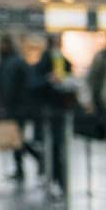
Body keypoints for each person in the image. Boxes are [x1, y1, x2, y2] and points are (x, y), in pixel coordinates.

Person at [0, 34, 44, 181]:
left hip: (16, 107)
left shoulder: (11, 63)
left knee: (17, 139)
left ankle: (36, 159)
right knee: (16, 139)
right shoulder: (11, 62)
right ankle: (23, 166)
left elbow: (9, 86)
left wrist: (5, 104)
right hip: (17, 106)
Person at [30, 35, 75, 193]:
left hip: (58, 112)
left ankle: (57, 179)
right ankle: (50, 176)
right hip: (47, 112)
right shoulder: (43, 64)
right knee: (50, 147)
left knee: (57, 148)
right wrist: (48, 80)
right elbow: (34, 86)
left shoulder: (64, 62)